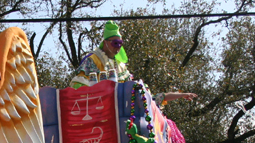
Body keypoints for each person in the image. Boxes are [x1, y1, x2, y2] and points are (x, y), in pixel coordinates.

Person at [69, 21, 199, 107]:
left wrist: (180, 95)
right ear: (106, 42)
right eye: (115, 43)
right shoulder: (93, 61)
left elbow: (141, 96)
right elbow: (77, 87)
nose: (118, 47)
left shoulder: (121, 67)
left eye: (120, 43)